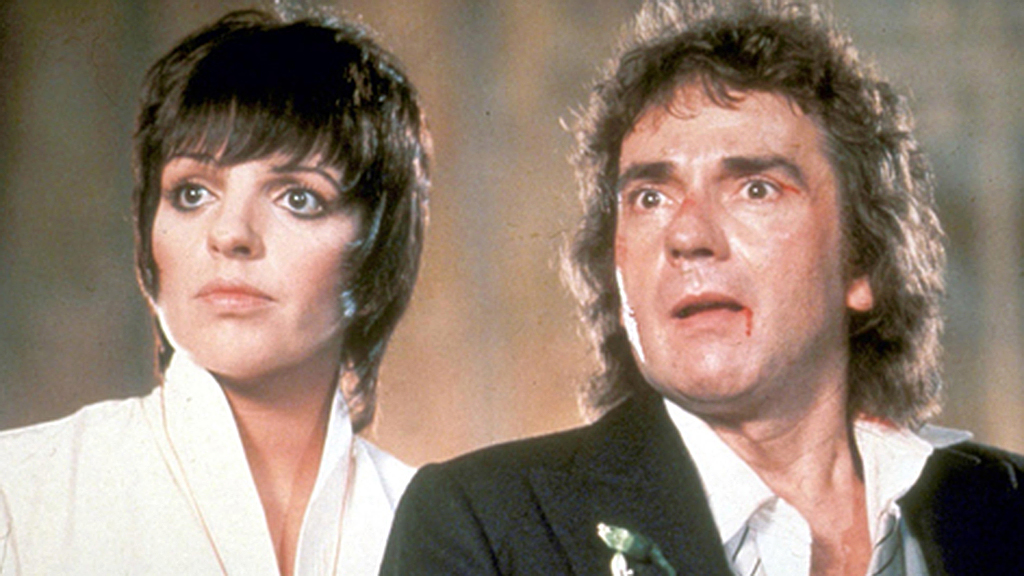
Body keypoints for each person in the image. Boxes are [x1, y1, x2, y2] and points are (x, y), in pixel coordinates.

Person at [380, 1, 1024, 575]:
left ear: (865, 265)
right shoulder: (486, 526)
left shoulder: (1005, 509)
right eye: (650, 197)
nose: (687, 235)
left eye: (756, 189)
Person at [0, 8, 429, 575]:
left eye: (299, 198)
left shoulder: (437, 526)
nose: (230, 234)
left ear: (377, 252)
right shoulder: (20, 492)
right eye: (192, 193)